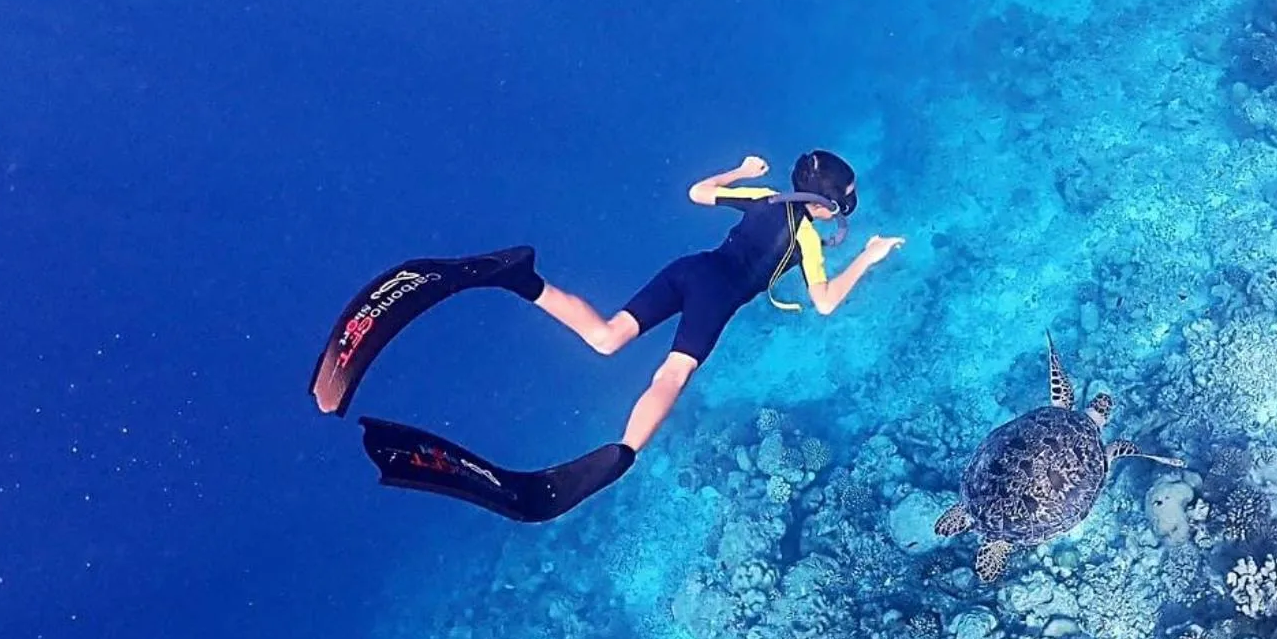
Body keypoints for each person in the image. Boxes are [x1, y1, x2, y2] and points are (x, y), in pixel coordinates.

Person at [308, 149, 904, 521]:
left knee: (607, 336)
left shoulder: (764, 197)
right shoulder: (807, 238)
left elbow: (697, 193)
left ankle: (519, 279)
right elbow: (825, 303)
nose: (841, 214)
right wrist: (867, 259)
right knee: (673, 372)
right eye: (842, 205)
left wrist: (743, 171)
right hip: (716, 296)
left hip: (688, 269)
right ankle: (624, 454)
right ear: (824, 203)